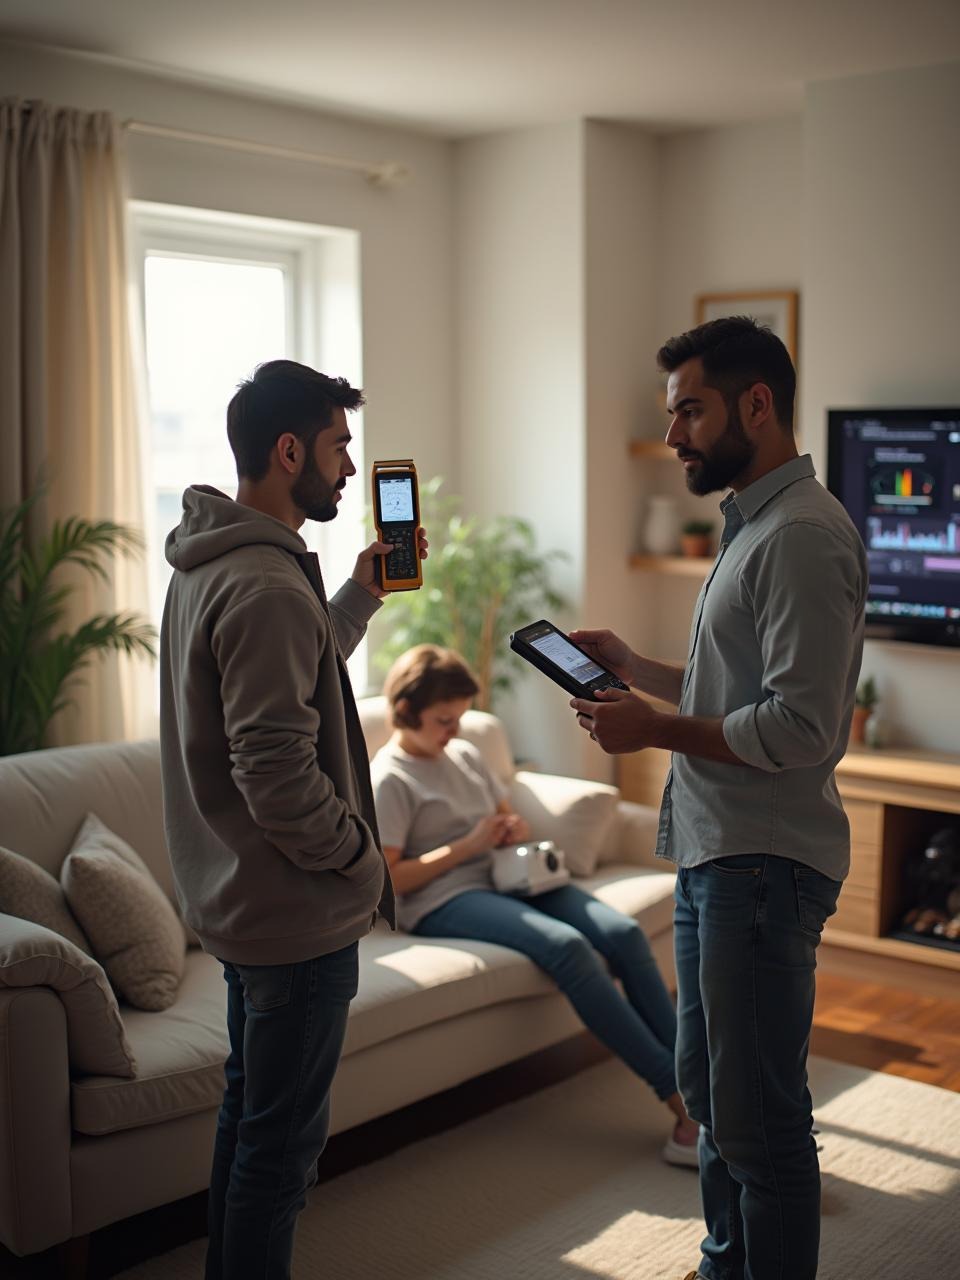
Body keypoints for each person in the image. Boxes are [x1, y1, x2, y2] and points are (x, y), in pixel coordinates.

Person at [569, 316, 867, 1280]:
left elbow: (798, 728)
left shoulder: (802, 538)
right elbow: (731, 691)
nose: (673, 436)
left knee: (759, 1121)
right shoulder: (754, 526)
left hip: (761, 868)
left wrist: (651, 730)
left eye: (690, 411)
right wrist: (638, 672)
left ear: (757, 405)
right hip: (715, 857)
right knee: (710, 1100)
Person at [159, 359, 427, 1280]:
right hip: (294, 913)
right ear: (288, 452)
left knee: (249, 1126)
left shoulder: (214, 563)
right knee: (279, 1159)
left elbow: (293, 678)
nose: (349, 467)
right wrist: (359, 859)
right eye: (338, 446)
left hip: (242, 904)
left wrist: (359, 595)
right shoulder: (267, 584)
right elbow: (275, 771)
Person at [369, 643, 701, 1166]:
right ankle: (683, 1107)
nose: (453, 731)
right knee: (569, 948)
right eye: (443, 720)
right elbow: (390, 880)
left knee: (622, 933)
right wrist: (469, 846)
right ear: (406, 710)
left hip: (509, 876)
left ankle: (701, 1086)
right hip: (443, 897)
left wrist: (510, 827)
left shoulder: (464, 754)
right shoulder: (391, 777)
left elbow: (503, 813)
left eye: (459, 719)